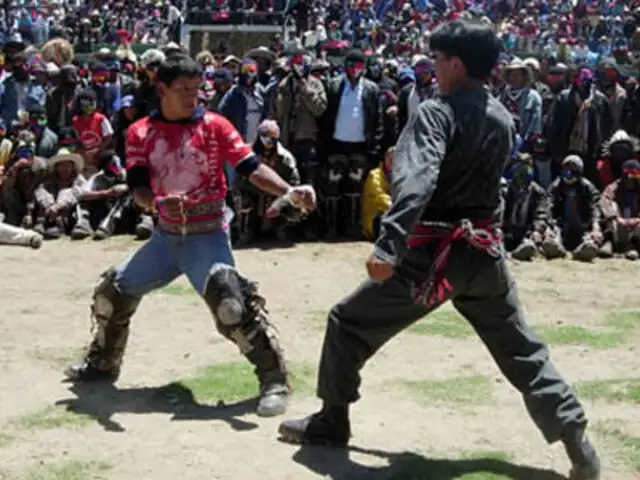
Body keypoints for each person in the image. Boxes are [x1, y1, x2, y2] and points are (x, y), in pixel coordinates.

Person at [278, 21, 600, 480]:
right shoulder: (502, 117)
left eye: (437, 60)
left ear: (455, 63)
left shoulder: (436, 112)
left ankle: (332, 422)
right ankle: (576, 441)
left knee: (347, 322)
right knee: (522, 350)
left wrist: (388, 248)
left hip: (430, 258)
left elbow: (417, 182)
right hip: (485, 255)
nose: (433, 68)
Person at [64, 54, 317, 418]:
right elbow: (137, 187)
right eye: (184, 89)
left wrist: (288, 191)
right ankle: (103, 361)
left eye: (197, 90)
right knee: (111, 294)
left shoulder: (216, 125)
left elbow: (251, 167)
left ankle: (274, 378)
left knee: (231, 304)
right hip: (165, 237)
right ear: (161, 88)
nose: (192, 97)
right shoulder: (139, 133)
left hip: (207, 234)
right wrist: (157, 203)